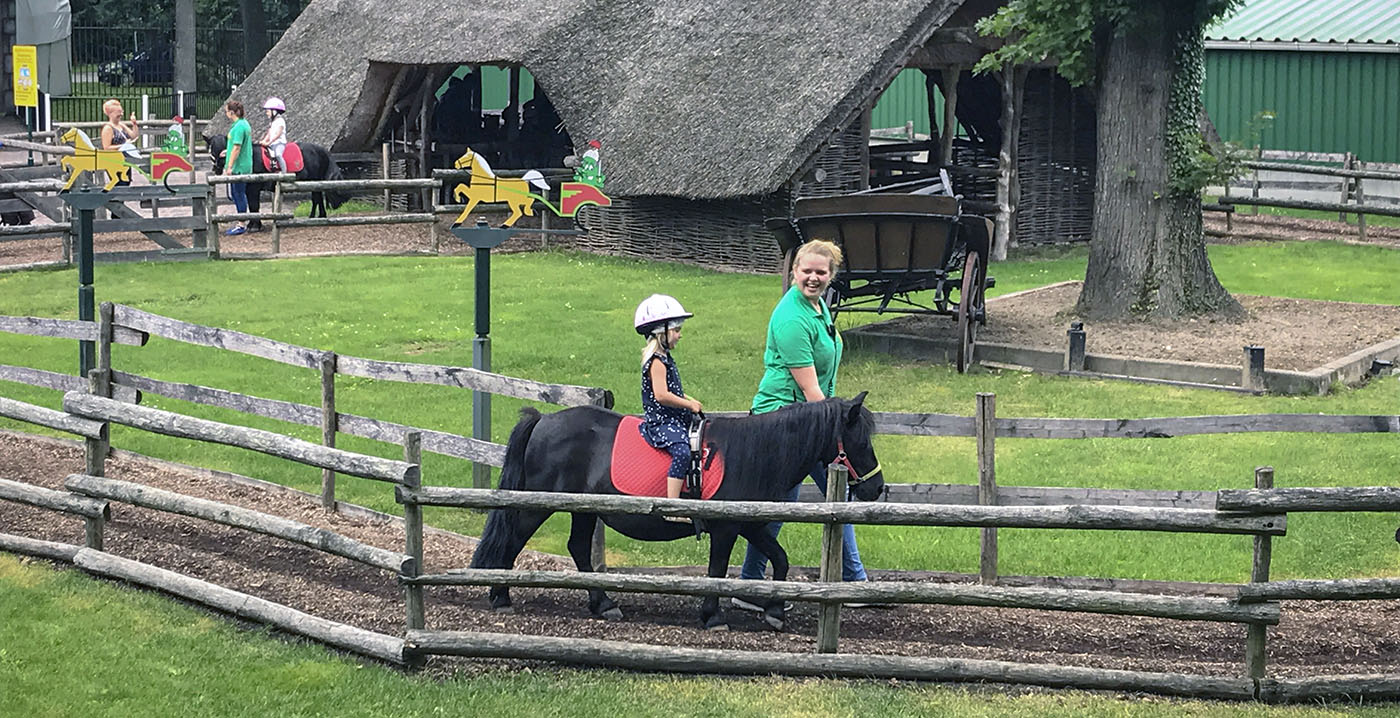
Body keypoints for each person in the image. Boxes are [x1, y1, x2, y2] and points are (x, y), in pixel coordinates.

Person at [737, 239, 869, 604]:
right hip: (783, 422)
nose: (813, 278)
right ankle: (850, 583)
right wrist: (838, 430)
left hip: (808, 424)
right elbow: (811, 391)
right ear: (793, 272)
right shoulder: (792, 317)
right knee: (783, 505)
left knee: (808, 500)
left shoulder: (817, 308)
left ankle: (750, 585)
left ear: (832, 276)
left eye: (820, 272)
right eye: (806, 271)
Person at [634, 294, 703, 520]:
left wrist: (689, 400)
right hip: (661, 421)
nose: (679, 335)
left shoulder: (666, 357)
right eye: (676, 330)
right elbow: (662, 395)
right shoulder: (656, 361)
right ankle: (672, 507)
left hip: (674, 417)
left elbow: (673, 391)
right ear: (661, 332)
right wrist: (688, 403)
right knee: (682, 451)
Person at [221, 100, 253, 236]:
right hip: (241, 163)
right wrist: (226, 152)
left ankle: (241, 223)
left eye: (227, 111)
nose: (226, 114)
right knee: (237, 193)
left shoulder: (239, 127)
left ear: (231, 112)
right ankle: (241, 221)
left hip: (239, 166)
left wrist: (229, 166)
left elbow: (237, 147)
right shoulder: (242, 124)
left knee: (238, 193)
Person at [98, 98, 140, 185]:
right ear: (110, 113)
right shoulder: (108, 128)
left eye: (121, 111)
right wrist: (122, 146)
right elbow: (107, 148)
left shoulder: (121, 125)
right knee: (120, 184)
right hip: (114, 161)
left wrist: (134, 123)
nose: (121, 114)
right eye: (118, 112)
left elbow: (134, 136)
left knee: (126, 183)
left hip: (125, 159)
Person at [259, 97, 288, 172]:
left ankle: (284, 172)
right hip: (272, 144)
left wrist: (269, 142)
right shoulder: (272, 122)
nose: (267, 113)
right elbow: (269, 133)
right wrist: (264, 140)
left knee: (278, 155)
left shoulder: (280, 121)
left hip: (279, 143)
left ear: (274, 111)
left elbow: (278, 134)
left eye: (268, 111)